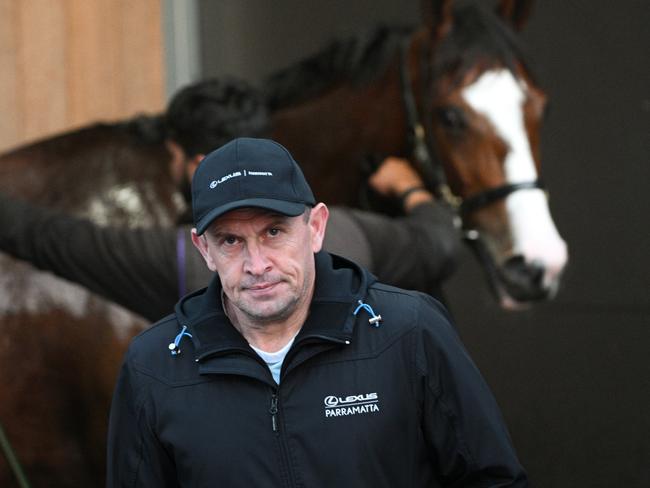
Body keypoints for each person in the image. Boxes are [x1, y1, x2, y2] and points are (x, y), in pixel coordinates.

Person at [106, 137, 527, 487]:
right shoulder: (155, 367)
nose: (257, 264)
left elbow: (493, 479)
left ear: (316, 228)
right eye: (231, 241)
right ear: (204, 250)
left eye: (274, 232)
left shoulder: (408, 331)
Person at [0, 78, 460, 322]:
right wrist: (409, 189)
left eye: (175, 157)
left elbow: (50, 239)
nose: (259, 265)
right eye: (234, 242)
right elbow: (438, 244)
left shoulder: (182, 259)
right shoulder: (348, 230)